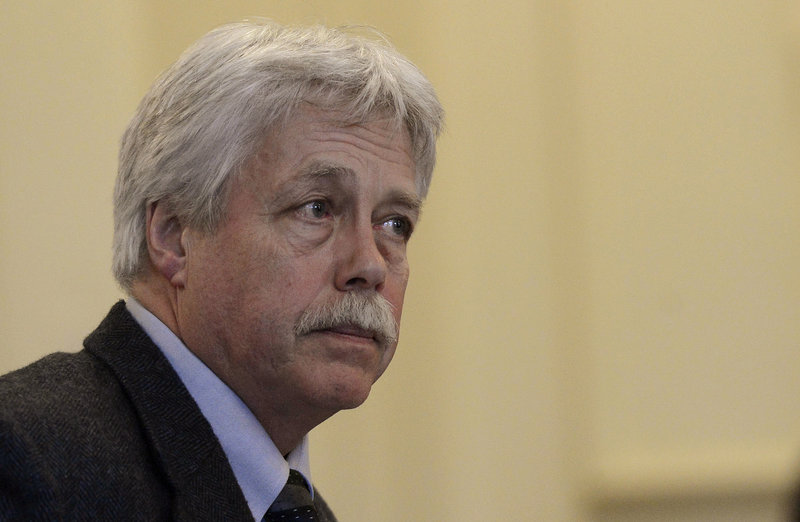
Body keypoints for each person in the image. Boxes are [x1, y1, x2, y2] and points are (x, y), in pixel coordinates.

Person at [0, 20, 443, 521]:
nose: (369, 265)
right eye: (316, 208)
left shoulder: (299, 509)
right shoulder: (25, 467)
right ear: (174, 235)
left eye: (394, 223)